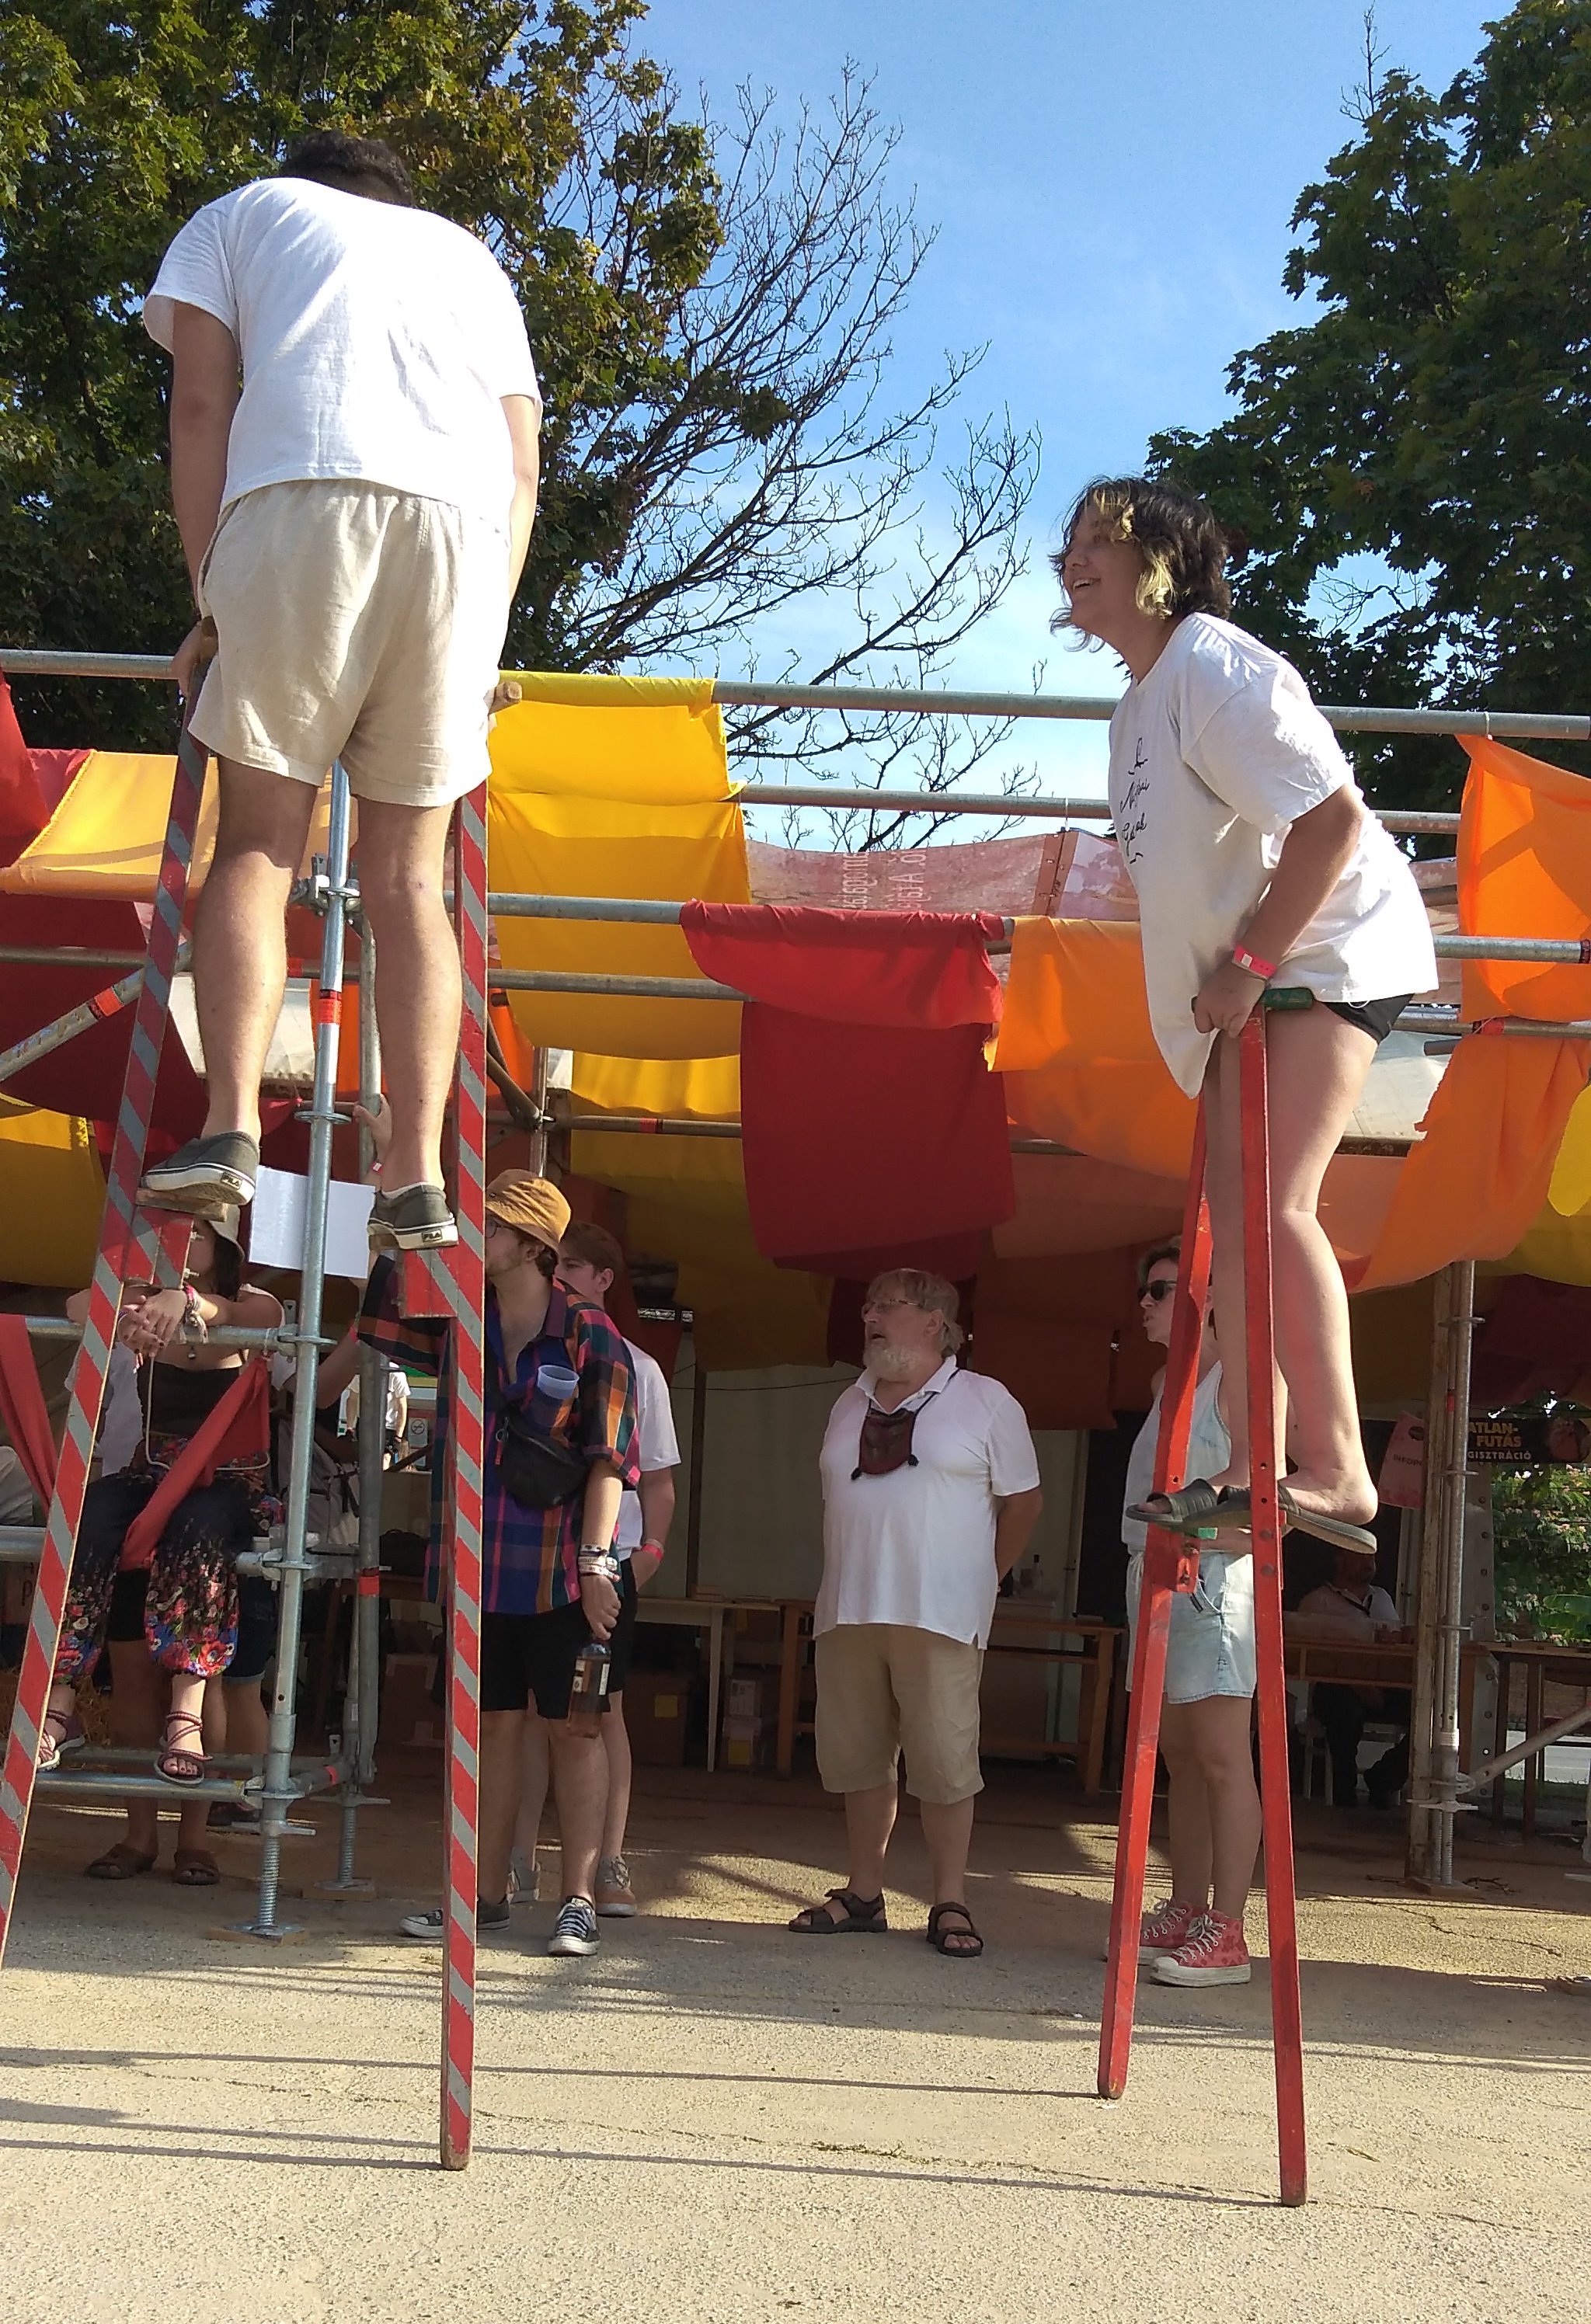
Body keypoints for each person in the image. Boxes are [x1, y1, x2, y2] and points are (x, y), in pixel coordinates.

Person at [136, 128, 541, 1253]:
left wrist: (211, 597)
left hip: (303, 498)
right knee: (409, 878)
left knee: (261, 847)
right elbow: (521, 465)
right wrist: (485, 630)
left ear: (301, 181)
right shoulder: (471, 257)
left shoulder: (243, 213)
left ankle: (228, 1130)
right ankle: (416, 1171)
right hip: (463, 542)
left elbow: (202, 408)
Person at [1057, 477, 1436, 1550]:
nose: (1073, 560)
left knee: (1275, 1207)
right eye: (1067, 545)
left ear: (1161, 560)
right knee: (1238, 1230)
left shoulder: (1212, 664)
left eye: (1098, 540)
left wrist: (1250, 963)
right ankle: (1252, 1465)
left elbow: (1332, 821)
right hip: (1254, 980)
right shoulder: (1138, 705)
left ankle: (1339, 1470)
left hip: (1322, 954)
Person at [359, 1160, 638, 1958]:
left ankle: (578, 1898)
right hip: (477, 1565)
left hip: (559, 1569)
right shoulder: (459, 1313)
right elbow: (381, 1310)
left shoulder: (589, 1332)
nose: (472, 1236)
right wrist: (395, 1186)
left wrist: (597, 1565)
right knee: (491, 1729)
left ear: (533, 1245)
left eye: (490, 1225)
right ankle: (483, 1897)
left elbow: (610, 1459)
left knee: (576, 1728)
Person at [789, 1270, 1042, 1959]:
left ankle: (949, 1900)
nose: (870, 1316)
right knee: (859, 1758)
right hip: (850, 1606)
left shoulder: (986, 1400)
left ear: (935, 1321)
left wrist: (984, 1579)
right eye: (868, 1306)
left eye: (888, 1307)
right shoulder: (849, 1401)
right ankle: (863, 1894)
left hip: (941, 1613)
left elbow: (1025, 1501)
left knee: (945, 1762)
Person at [36, 1212, 283, 1885]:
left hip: (219, 1488)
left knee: (195, 1538)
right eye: (177, 1229)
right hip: (149, 1484)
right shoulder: (142, 1298)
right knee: (90, 1523)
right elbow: (77, 1306)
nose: (183, 1241)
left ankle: (194, 1831)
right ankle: (65, 1699)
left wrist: (186, 1301)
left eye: (199, 1231)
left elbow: (242, 1315)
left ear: (226, 1243)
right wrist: (134, 1297)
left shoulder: (255, 1301)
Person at [512, 1220, 680, 1918]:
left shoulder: (639, 1365)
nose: (559, 1279)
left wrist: (646, 1557)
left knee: (599, 1709)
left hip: (605, 1561)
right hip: (534, 1554)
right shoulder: (522, 1340)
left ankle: (608, 1862)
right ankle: (517, 1860)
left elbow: (660, 1481)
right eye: (554, 1266)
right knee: (524, 1710)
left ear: (605, 1278)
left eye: (573, 1267)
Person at [1119, 1237, 1262, 1988]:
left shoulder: (1241, 1381)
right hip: (1154, 1577)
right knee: (1178, 1756)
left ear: (1203, 1301)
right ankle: (1186, 1904)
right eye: (1146, 1289)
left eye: (1161, 1289)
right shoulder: (1164, 1383)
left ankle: (1228, 1928)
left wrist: (1200, 1540)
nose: (1145, 1302)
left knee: (1222, 1757)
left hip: (1211, 1580)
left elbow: (1272, 1509)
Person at [1297, 1543, 1410, 1809]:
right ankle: (1344, 1795)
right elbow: (1313, 1658)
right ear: (1340, 1561)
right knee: (1344, 1710)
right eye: (1361, 1556)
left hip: (1384, 1685)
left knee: (1429, 1713)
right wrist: (1357, 1683)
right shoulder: (1317, 1602)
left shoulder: (1382, 1598)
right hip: (1338, 1686)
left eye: (1372, 1557)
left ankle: (1383, 1778)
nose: (1369, 1562)